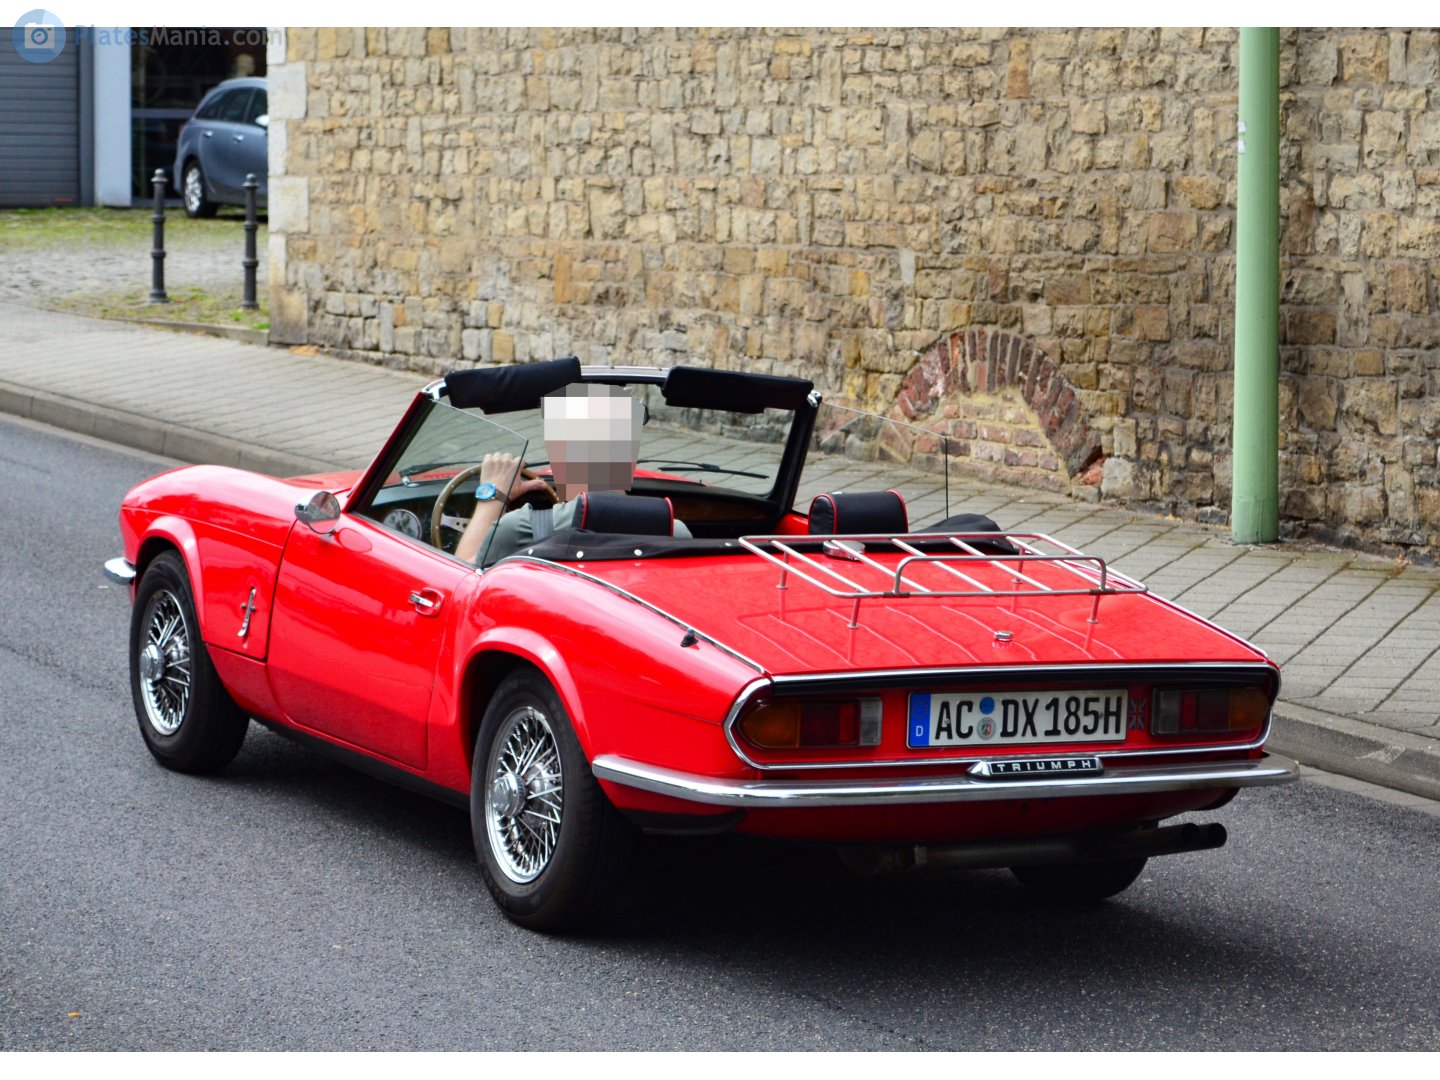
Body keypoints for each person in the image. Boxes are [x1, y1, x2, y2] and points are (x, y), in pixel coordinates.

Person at [454, 383, 690, 567]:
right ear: (630, 459)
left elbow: (460, 575)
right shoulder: (674, 532)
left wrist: (492, 495)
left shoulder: (519, 529)